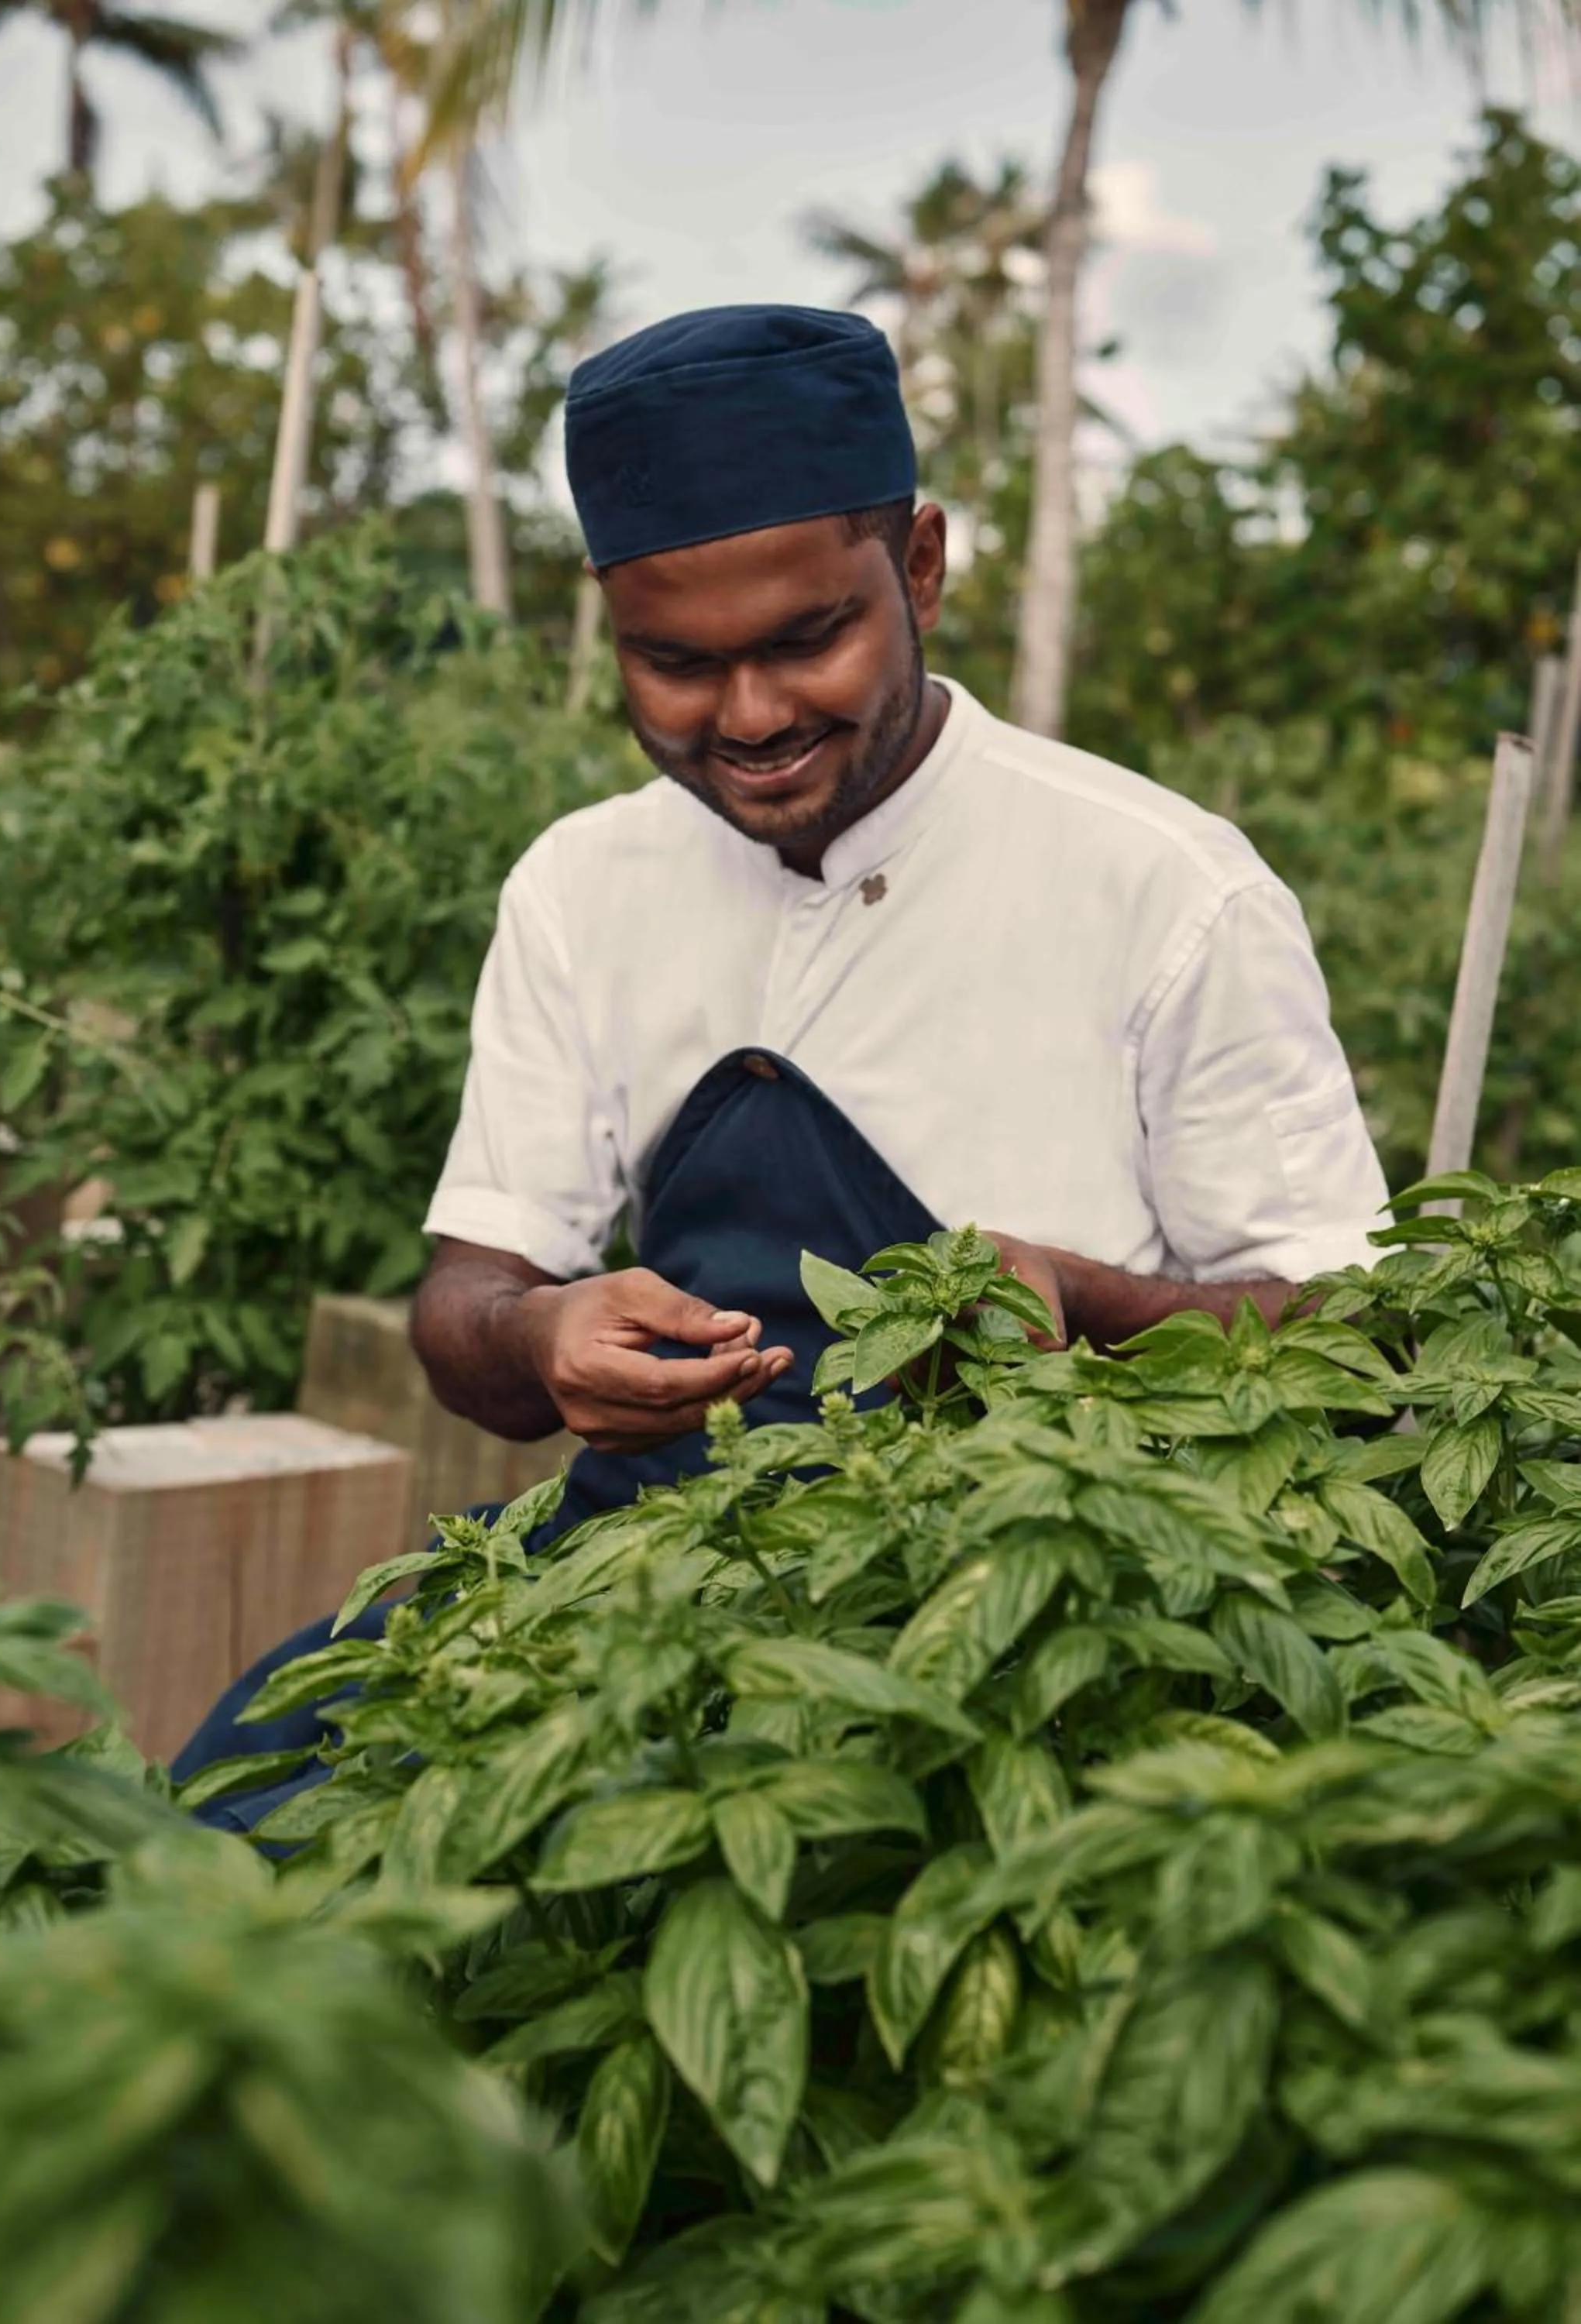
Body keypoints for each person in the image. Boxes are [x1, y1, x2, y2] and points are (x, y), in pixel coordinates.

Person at [173, 303, 1387, 1816]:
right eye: (670, 662)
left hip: (1035, 1619)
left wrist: (1083, 1303)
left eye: (806, 641)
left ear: (921, 568)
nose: (744, 719)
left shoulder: (1159, 888)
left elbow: (1358, 1346)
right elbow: (458, 1311)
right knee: (241, 1811)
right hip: (653, 1577)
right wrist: (545, 1340)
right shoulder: (580, 885)